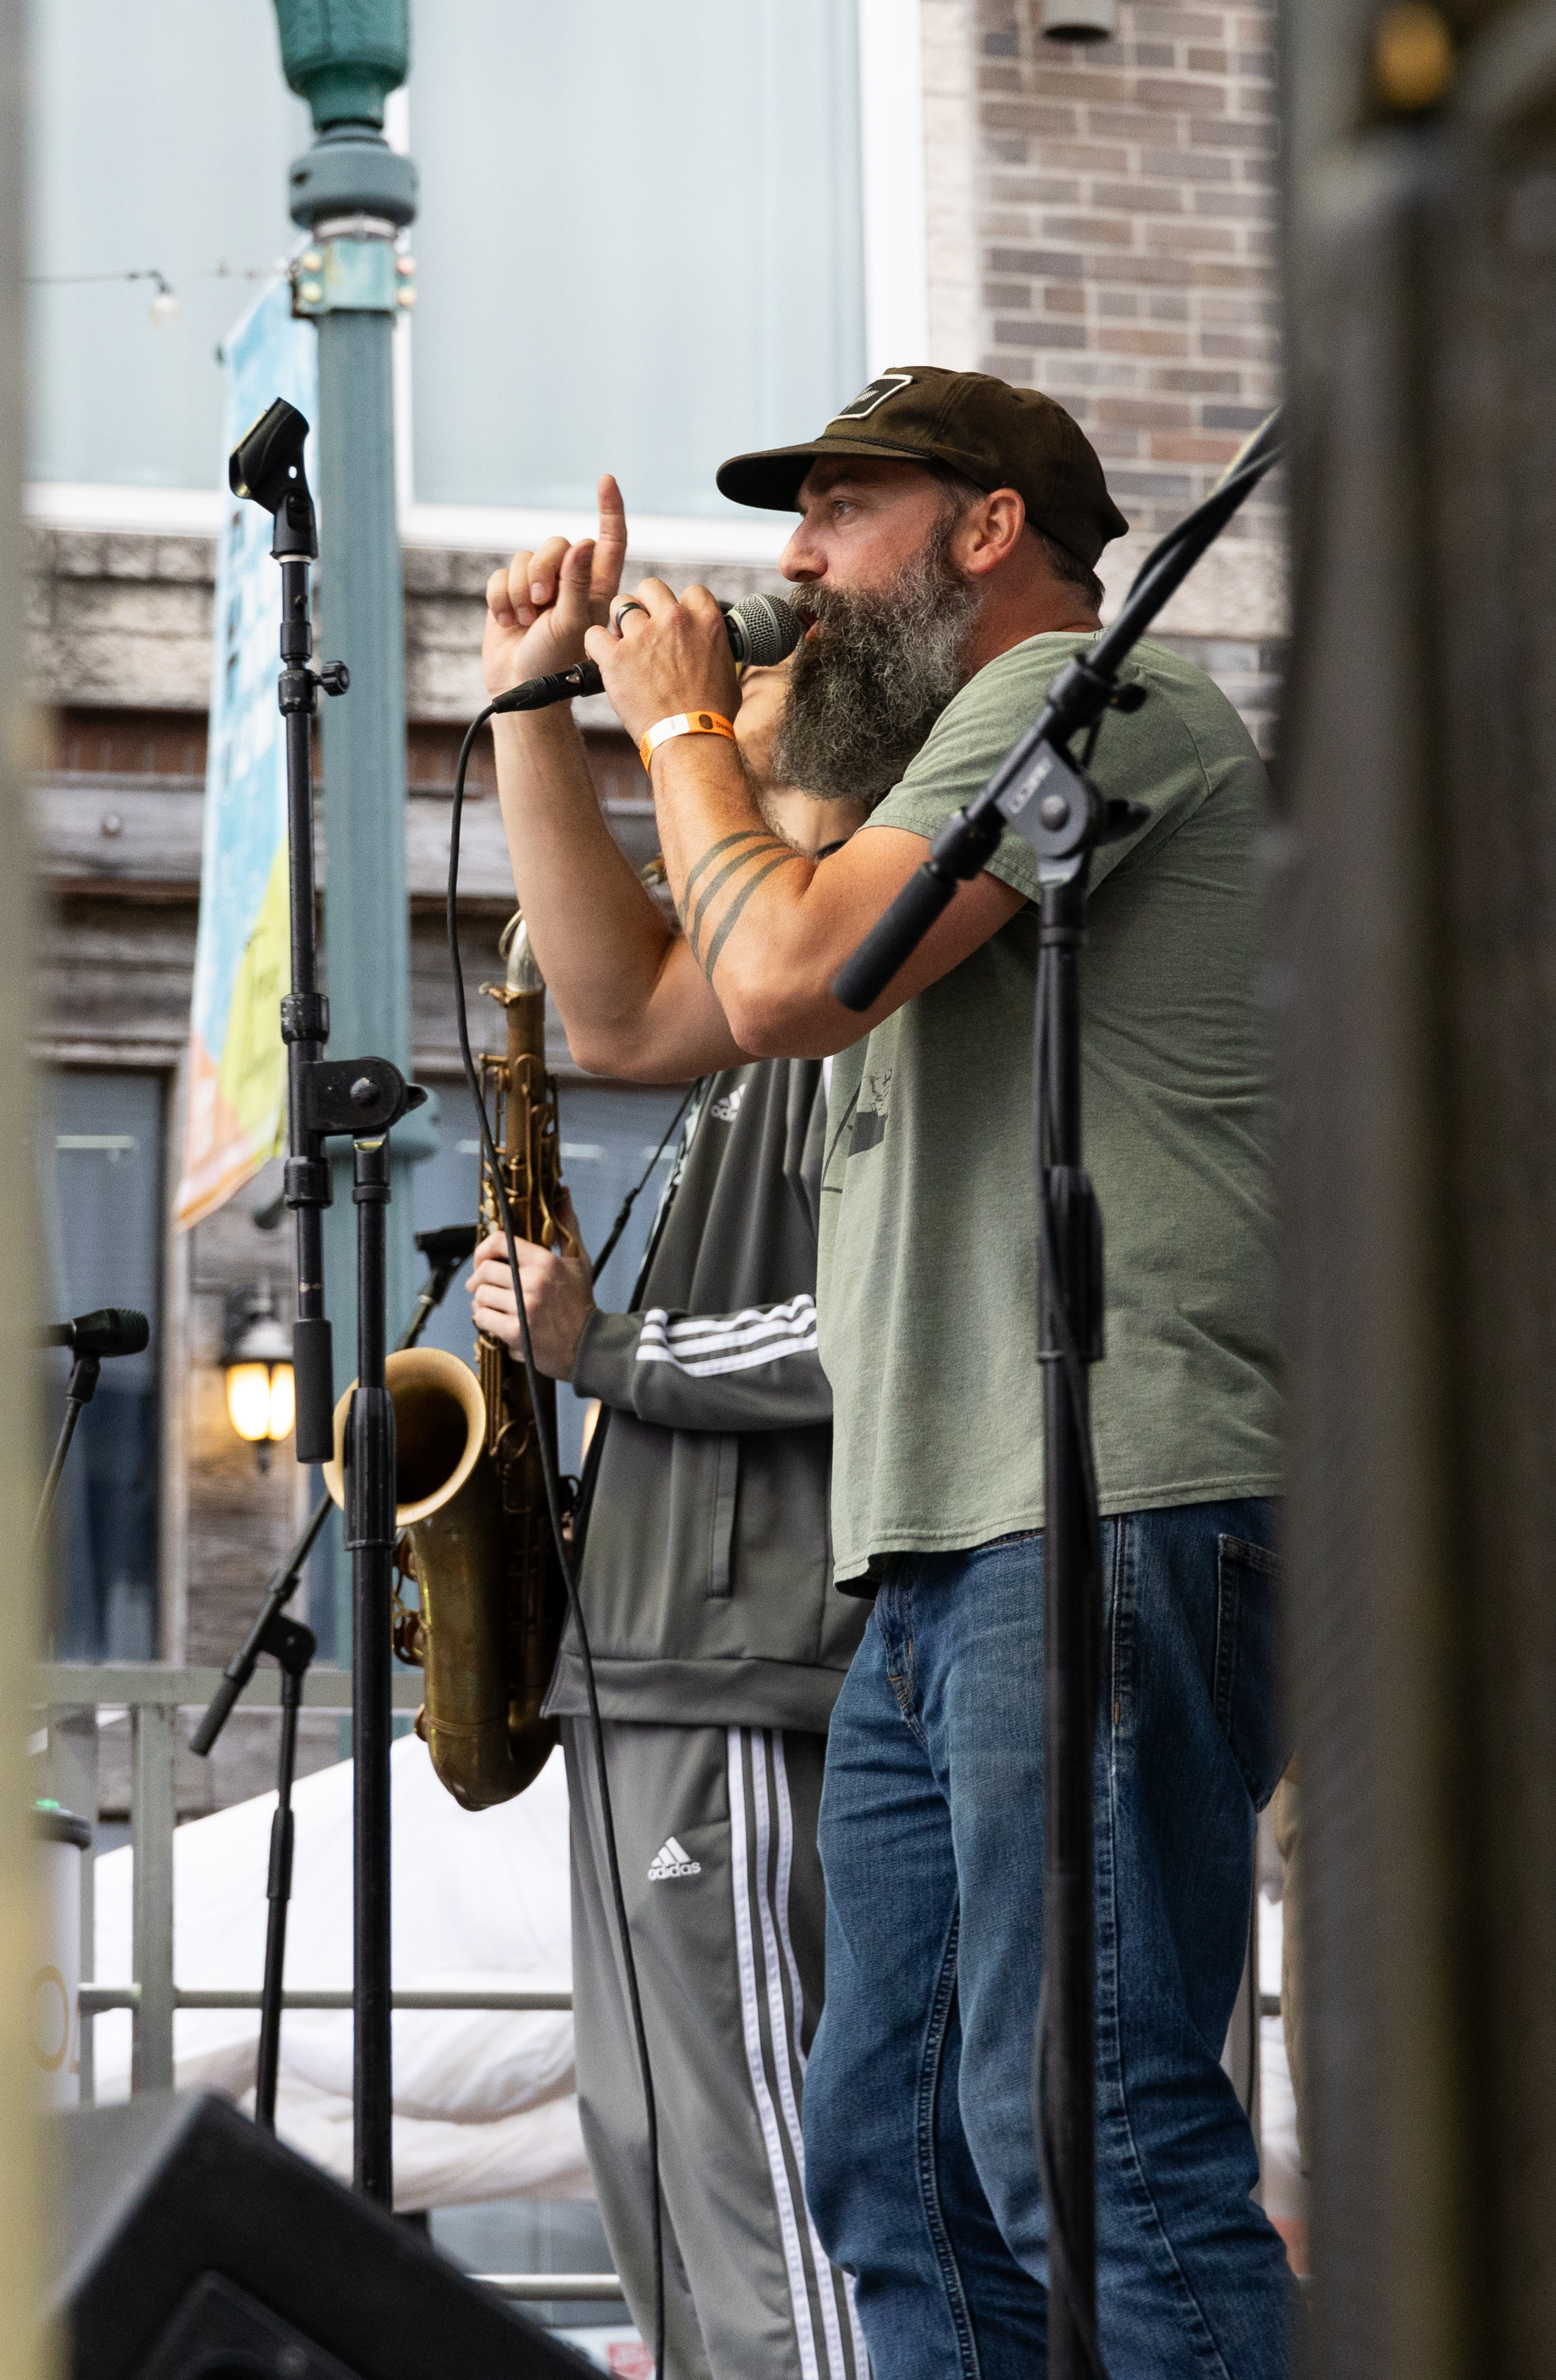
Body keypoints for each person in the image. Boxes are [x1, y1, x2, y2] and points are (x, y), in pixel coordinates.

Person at [481, 371, 1284, 2379]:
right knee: (894, 2150)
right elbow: (646, 1014)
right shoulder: (928, 791)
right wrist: (529, 709)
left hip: (1105, 1495)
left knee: (1083, 2121)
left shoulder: (1095, 709)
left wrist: (684, 724)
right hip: (942, 1544)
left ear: (989, 527)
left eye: (842, 512)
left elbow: (776, 974)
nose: (793, 565)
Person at [467, 628, 876, 2380]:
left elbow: (881, 1322)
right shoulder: (741, 1019)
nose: (674, 778)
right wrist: (528, 702)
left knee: (765, 2180)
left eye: (713, 741)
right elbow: (606, 1005)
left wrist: (610, 1349)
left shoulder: (859, 983)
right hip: (648, 1666)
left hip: (746, 1657)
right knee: (653, 2173)